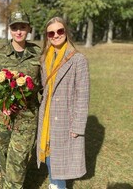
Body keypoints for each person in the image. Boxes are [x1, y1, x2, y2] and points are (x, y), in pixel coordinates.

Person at [0, 10, 41, 189]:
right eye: (15, 27)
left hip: (27, 117)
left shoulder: (38, 54)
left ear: (29, 29)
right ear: (10, 30)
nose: (18, 31)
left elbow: (44, 85)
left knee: (18, 159)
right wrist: (4, 102)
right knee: (5, 157)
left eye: (22, 27)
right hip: (4, 118)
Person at [36, 17, 90, 189]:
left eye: (60, 31)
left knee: (59, 159)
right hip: (48, 116)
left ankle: (58, 186)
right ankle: (55, 184)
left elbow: (82, 96)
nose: (56, 35)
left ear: (66, 32)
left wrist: (77, 127)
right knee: (51, 155)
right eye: (51, 33)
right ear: (47, 36)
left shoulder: (78, 59)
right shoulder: (45, 58)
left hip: (65, 118)